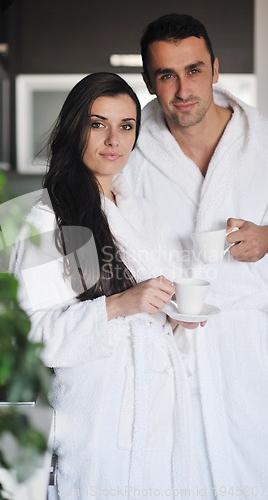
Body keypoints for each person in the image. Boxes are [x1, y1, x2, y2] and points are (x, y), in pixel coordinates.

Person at [10, 72, 204, 499]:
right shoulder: (48, 218)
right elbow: (35, 335)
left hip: (156, 412)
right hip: (97, 421)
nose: (113, 139)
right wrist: (119, 305)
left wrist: (174, 319)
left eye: (126, 126)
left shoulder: (141, 211)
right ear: (75, 127)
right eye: (98, 124)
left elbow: (146, 312)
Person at [123, 13, 268, 499]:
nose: (182, 89)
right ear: (148, 81)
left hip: (251, 349)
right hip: (165, 346)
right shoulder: (131, 148)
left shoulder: (262, 141)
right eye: (166, 75)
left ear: (215, 70)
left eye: (193, 70)